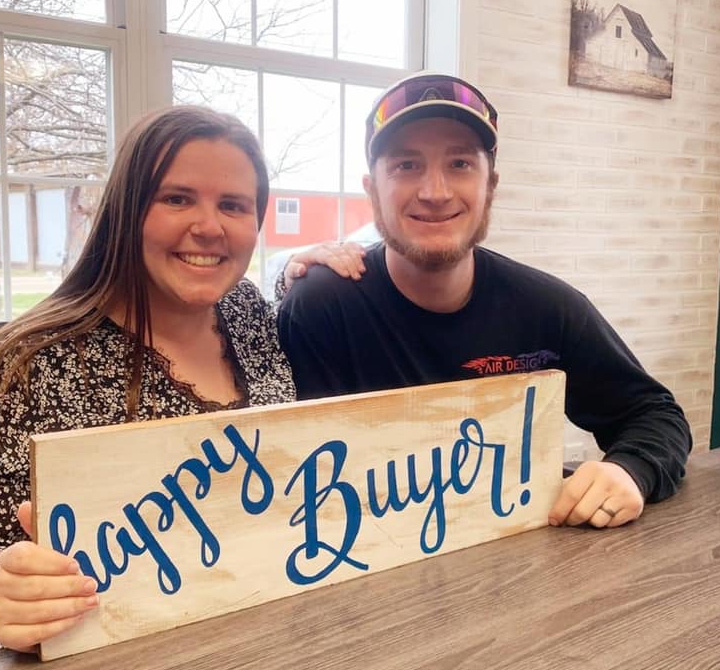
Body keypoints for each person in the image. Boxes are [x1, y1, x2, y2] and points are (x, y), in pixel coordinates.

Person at [0, 106, 356, 667]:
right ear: (126, 212)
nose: (209, 226)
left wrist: (297, 270)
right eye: (177, 198)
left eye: (233, 205)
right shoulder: (22, 370)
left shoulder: (248, 315)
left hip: (255, 648)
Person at [277, 72, 692, 531]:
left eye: (460, 164)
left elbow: (655, 414)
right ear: (371, 188)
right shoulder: (321, 310)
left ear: (490, 185)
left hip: (527, 569)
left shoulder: (549, 309)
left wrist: (629, 470)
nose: (435, 192)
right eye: (406, 166)